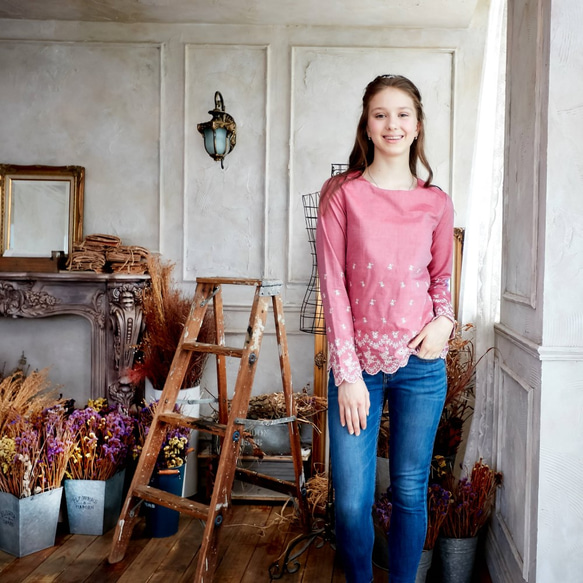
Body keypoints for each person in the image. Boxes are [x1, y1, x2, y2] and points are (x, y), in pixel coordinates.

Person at [315, 74, 456, 583]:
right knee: (352, 502)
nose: (391, 124)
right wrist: (348, 374)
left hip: (422, 366)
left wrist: (444, 320)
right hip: (358, 372)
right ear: (367, 126)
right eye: (380, 114)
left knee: (410, 492)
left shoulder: (436, 202)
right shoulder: (342, 195)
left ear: (417, 126)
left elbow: (441, 277)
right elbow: (333, 286)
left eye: (402, 114)